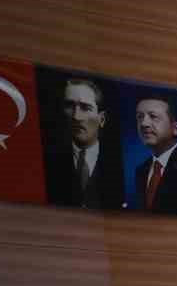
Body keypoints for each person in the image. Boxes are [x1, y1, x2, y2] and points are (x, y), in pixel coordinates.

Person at [47, 75, 125, 209]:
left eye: (85, 107)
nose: (76, 116)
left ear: (102, 119)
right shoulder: (49, 161)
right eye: (69, 106)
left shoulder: (122, 163)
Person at [131, 93, 177, 215]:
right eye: (140, 117)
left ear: (175, 128)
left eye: (153, 116)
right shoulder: (141, 171)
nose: (144, 124)